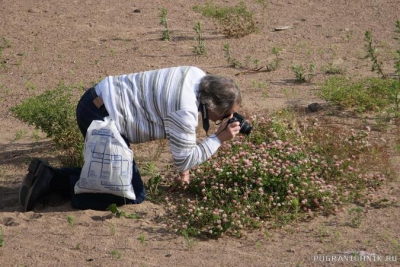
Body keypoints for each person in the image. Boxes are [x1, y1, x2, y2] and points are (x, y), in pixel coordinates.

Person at [19, 66, 243, 212]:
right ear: (210, 105)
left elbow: (175, 127)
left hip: (96, 101)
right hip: (102, 119)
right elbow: (183, 157)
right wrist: (219, 138)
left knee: (119, 180)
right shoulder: (184, 111)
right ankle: (50, 180)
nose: (226, 119)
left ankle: (48, 176)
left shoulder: (195, 74)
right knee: (131, 194)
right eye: (224, 115)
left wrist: (184, 172)